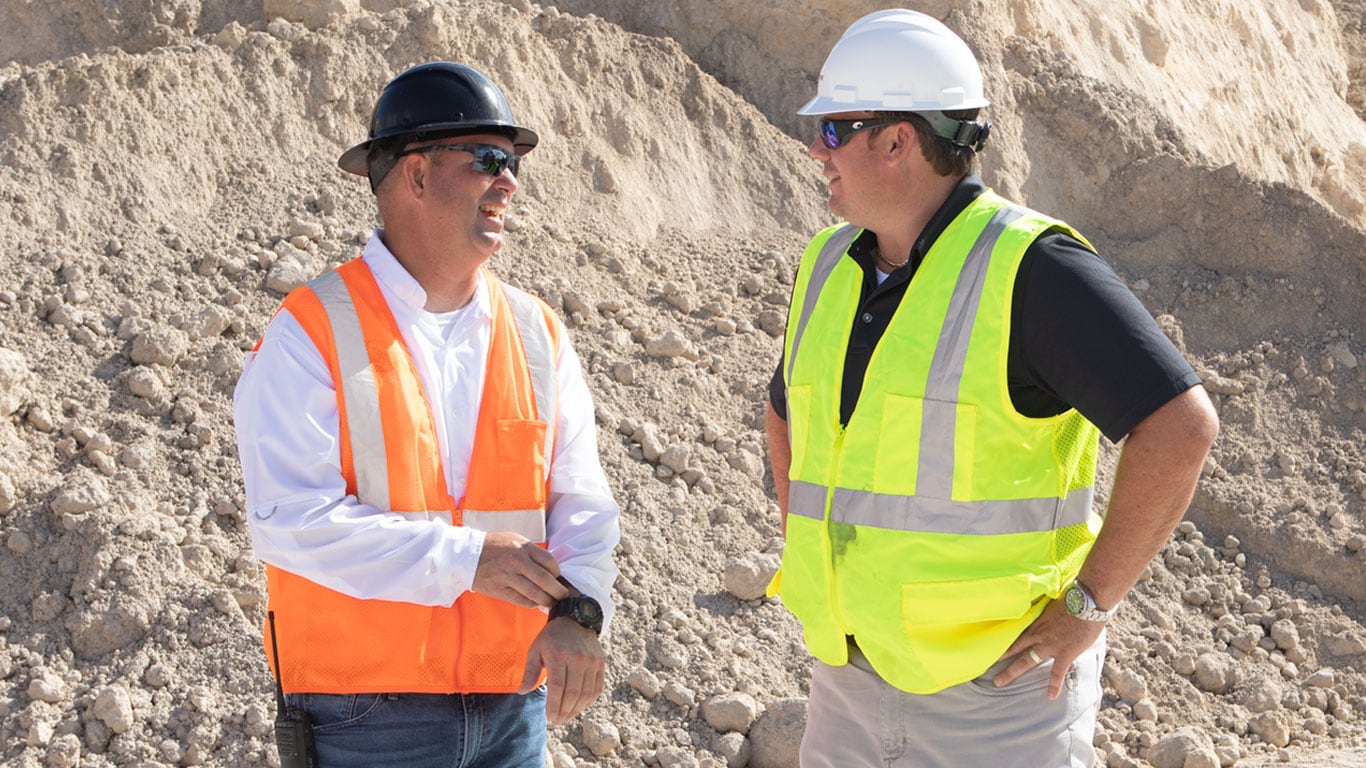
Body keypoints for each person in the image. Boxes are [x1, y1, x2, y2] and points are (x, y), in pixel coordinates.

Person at [764, 10, 1219, 767]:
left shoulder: (1032, 269)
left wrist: (1088, 605)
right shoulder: (825, 263)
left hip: (998, 702)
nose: (817, 150)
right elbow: (787, 409)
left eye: (836, 128)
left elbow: (1181, 426)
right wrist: (820, 558)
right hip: (848, 681)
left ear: (898, 140)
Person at [233, 61, 620, 767]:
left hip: (513, 709)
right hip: (365, 719)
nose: (509, 181)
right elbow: (289, 521)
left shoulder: (536, 332)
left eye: (512, 163)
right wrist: (467, 561)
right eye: (488, 160)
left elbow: (583, 501)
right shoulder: (310, 331)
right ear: (414, 175)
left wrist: (579, 612)